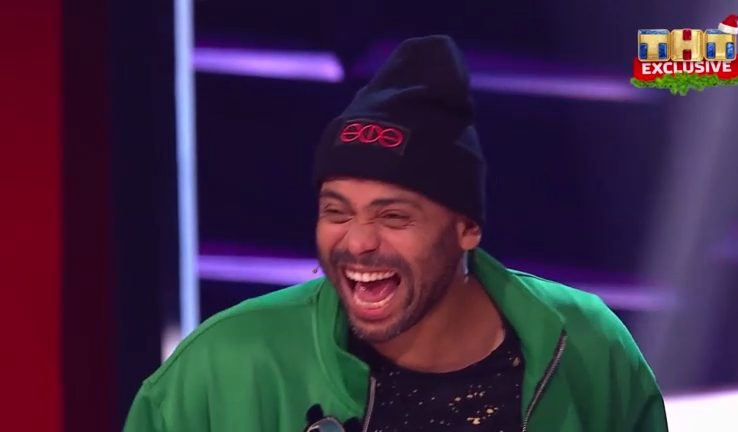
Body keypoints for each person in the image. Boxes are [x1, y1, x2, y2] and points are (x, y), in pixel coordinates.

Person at [123, 35, 668, 432]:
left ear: (466, 228)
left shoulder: (586, 345)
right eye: (337, 212)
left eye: (393, 217)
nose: (358, 242)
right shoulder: (224, 366)